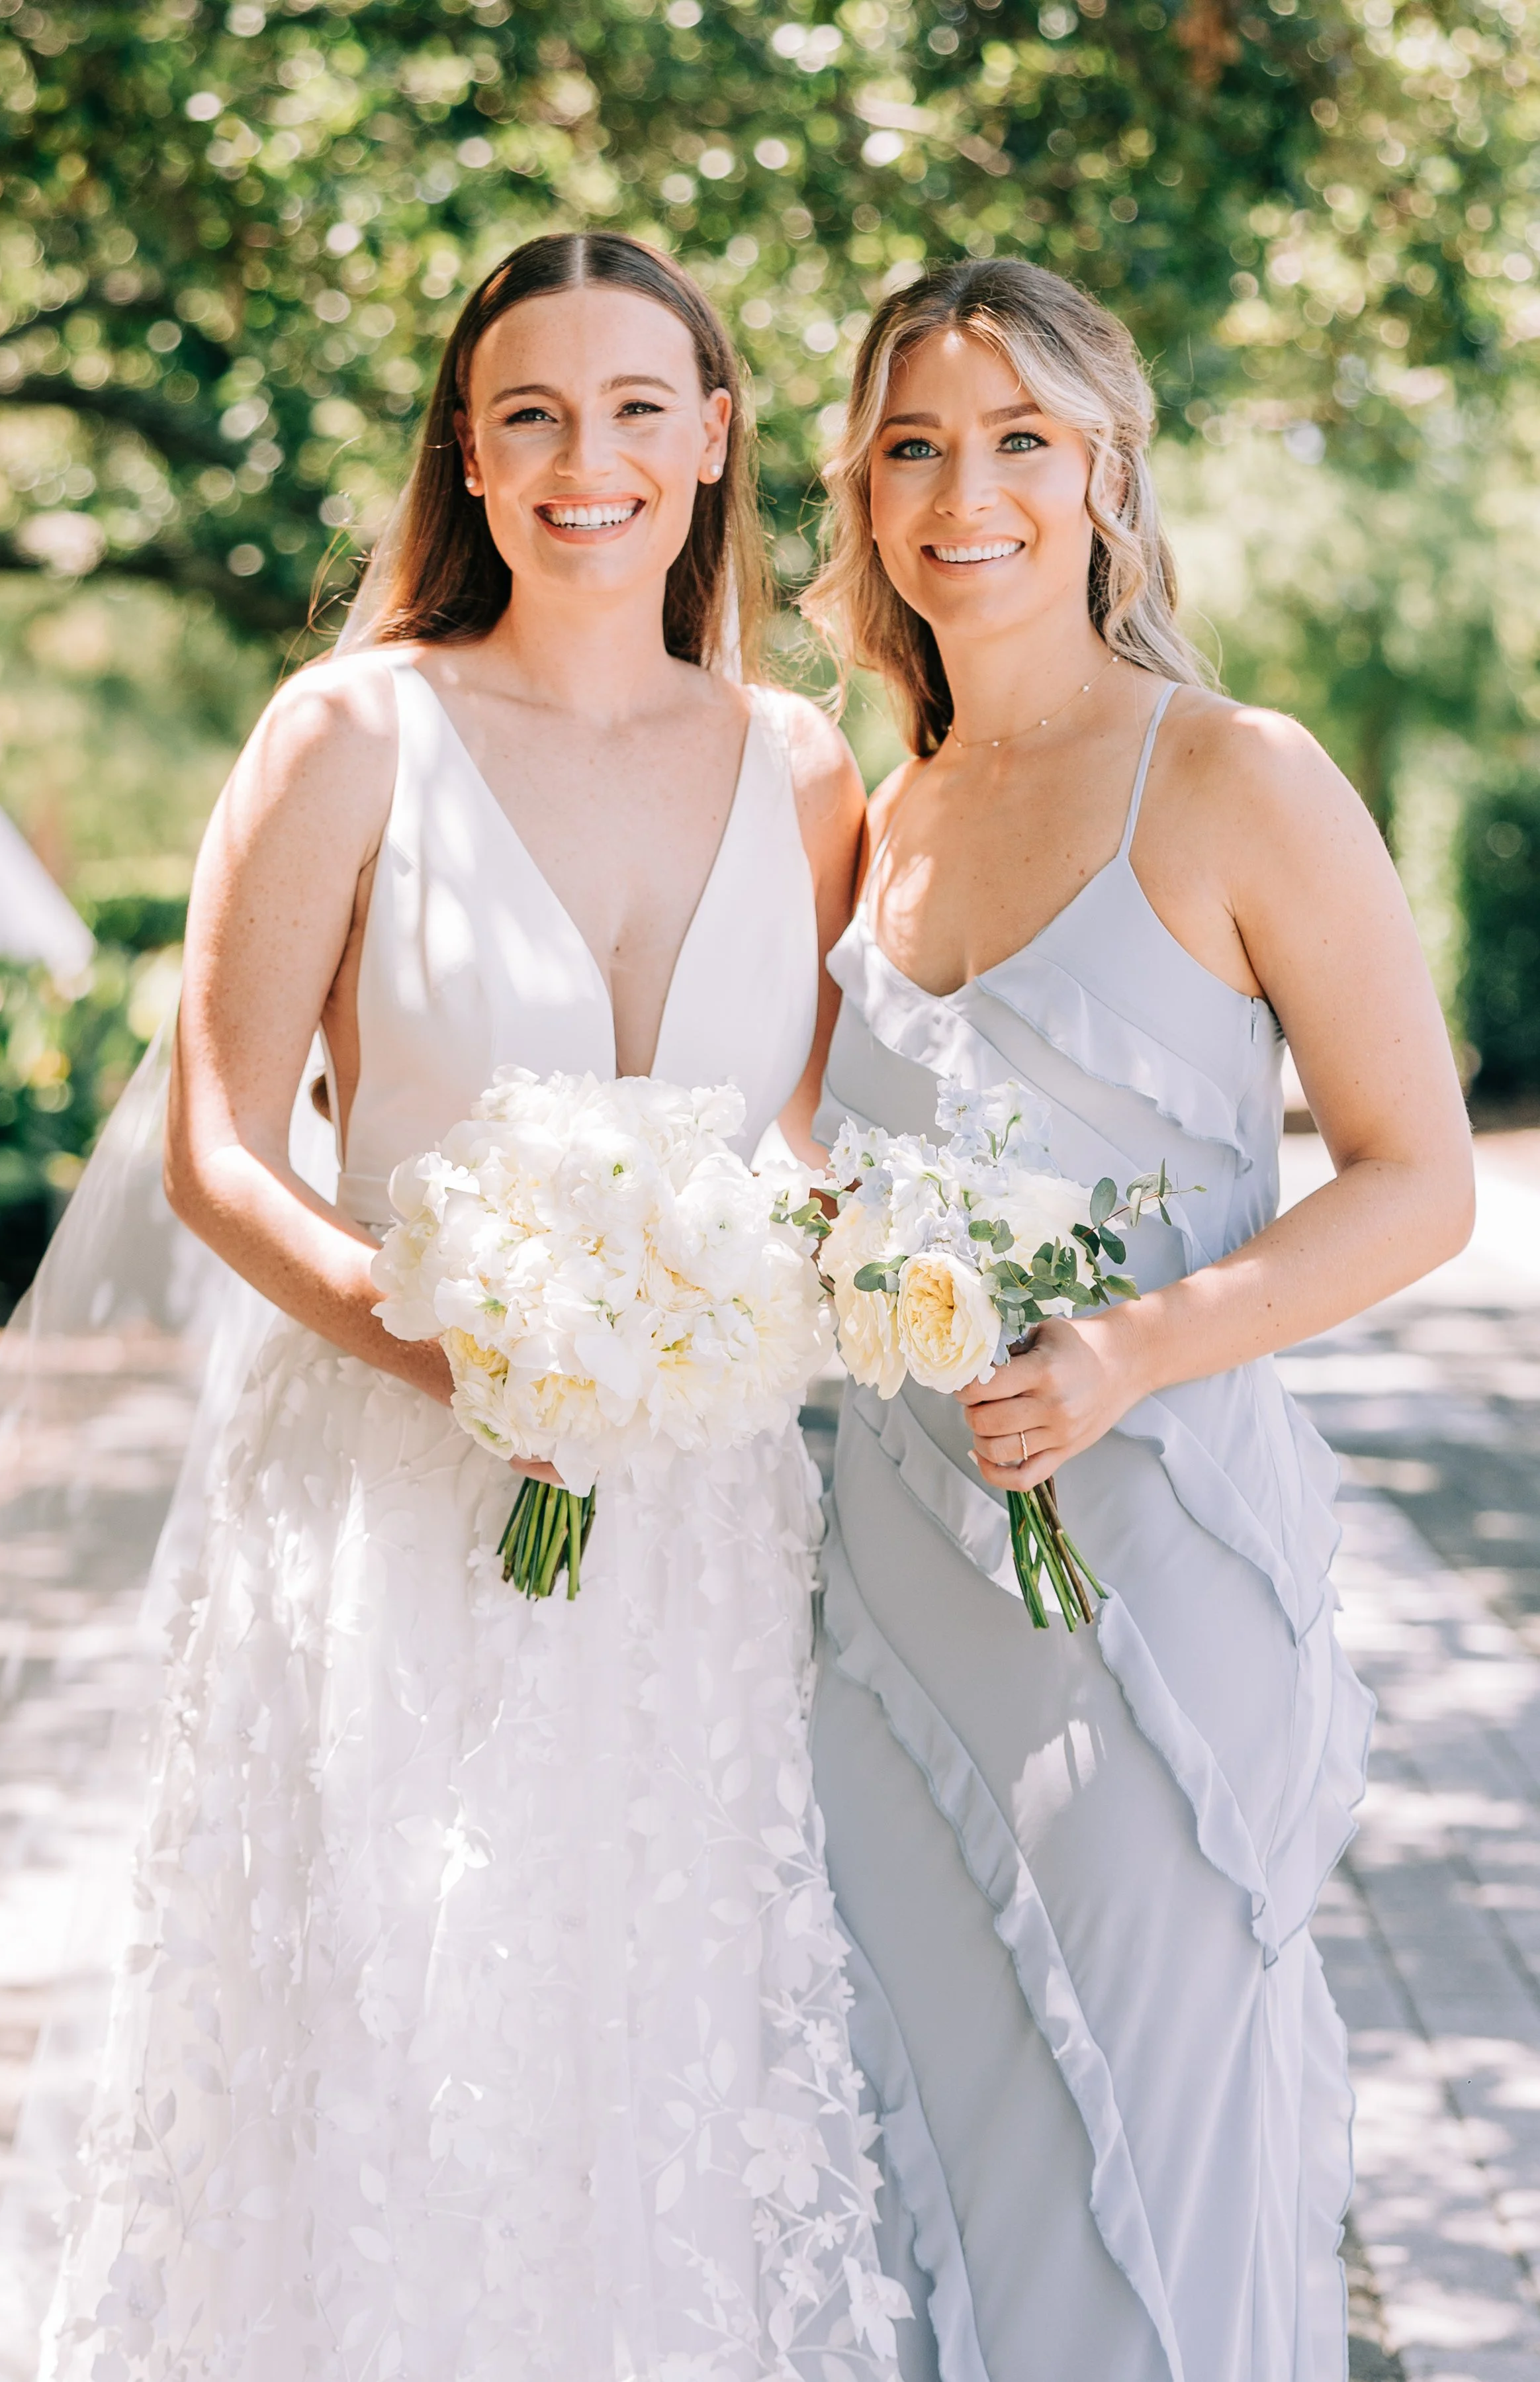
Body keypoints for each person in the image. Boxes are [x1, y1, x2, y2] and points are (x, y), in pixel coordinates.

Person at [36, 231, 909, 2382]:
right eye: (531, 413)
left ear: (714, 439)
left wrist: (824, 1288)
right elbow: (219, 1147)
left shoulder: (807, 766)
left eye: (635, 409)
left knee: (651, 2033)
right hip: (392, 1484)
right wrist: (454, 1351)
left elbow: (803, 1145)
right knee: (396, 2036)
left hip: (690, 1528)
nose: (585, 458)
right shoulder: (353, 732)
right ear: (471, 451)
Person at [800, 256, 1474, 2382]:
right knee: (915, 2162)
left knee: (1147, 2165)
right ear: (863, 492)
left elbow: (1420, 1176)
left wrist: (1131, 1350)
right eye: (913, 446)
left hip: (1152, 1587)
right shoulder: (870, 818)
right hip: (888, 1599)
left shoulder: (1236, 776)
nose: (964, 494)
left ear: (1105, 472)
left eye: (1019, 438)